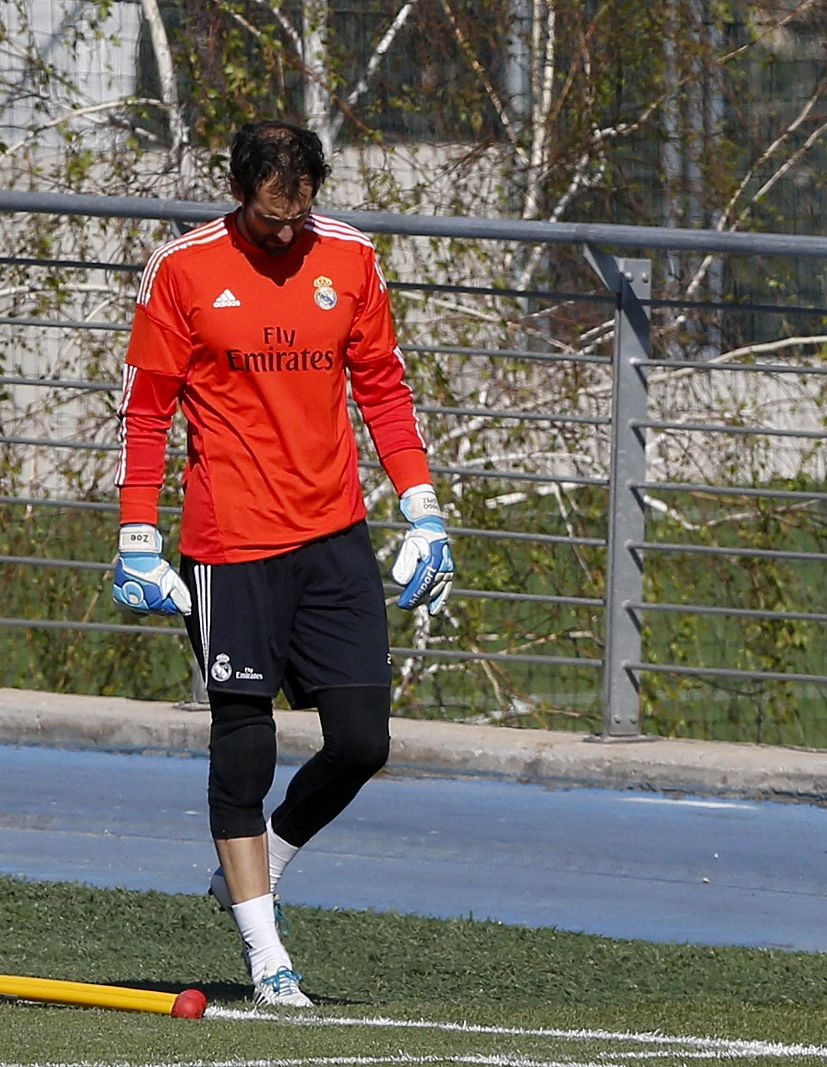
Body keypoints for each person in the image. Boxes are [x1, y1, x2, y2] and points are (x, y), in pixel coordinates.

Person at [111, 120, 455, 1006]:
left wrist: (422, 506)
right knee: (246, 742)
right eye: (268, 223)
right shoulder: (182, 269)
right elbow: (147, 410)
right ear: (238, 195)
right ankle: (268, 956)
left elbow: (382, 385)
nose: (285, 236)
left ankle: (262, 864)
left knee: (361, 740)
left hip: (335, 533)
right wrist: (137, 535)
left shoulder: (350, 258)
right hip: (230, 543)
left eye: (298, 218)